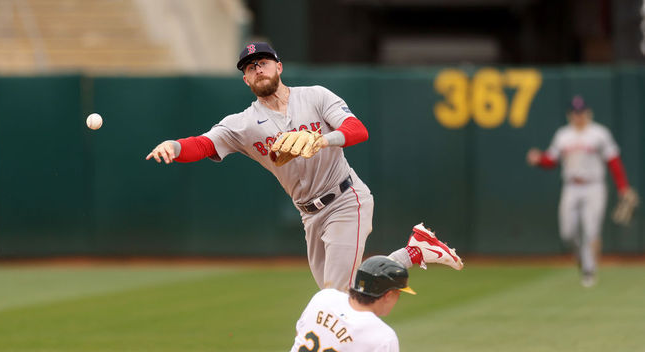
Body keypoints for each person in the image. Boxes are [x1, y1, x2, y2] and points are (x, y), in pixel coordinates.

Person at [146, 41, 461, 291]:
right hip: (309, 215)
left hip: (346, 199)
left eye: (263, 62)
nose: (258, 69)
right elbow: (203, 144)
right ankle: (414, 251)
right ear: (245, 79)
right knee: (348, 293)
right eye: (250, 67)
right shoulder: (242, 125)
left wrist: (321, 140)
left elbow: (357, 130)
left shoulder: (315, 97)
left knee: (335, 298)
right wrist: (173, 147)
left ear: (279, 67)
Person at [271, 224, 463, 352]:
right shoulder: (382, 336)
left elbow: (300, 337)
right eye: (398, 293)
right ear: (388, 295)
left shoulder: (323, 298)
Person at [526, 95, 636, 287]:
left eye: (581, 112)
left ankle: (589, 270)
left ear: (588, 112)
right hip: (571, 187)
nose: (579, 116)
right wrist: (539, 159)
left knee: (591, 229)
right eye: (575, 112)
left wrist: (622, 187)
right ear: (570, 115)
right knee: (567, 232)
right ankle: (582, 258)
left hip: (594, 186)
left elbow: (614, 162)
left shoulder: (599, 133)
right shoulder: (563, 135)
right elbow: (552, 160)